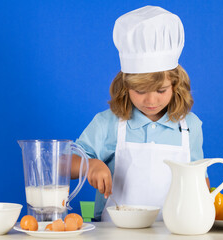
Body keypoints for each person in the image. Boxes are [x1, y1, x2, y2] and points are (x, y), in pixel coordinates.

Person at [71, 5, 209, 221]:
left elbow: (200, 182)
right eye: (140, 91)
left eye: (161, 90)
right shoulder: (108, 123)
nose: (151, 100)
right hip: (114, 232)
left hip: (173, 232)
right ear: (125, 87)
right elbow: (63, 163)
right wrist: (91, 165)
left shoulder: (190, 126)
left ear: (176, 84)